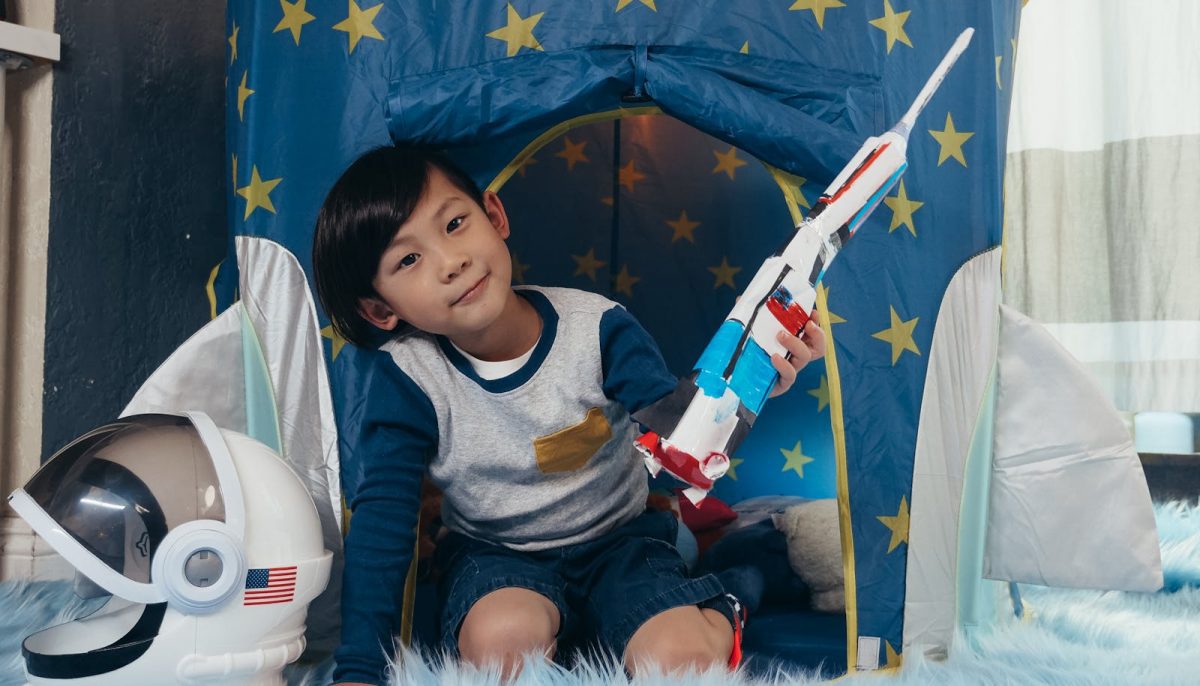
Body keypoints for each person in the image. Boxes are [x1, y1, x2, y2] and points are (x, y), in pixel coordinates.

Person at [312, 146, 826, 685]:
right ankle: (567, 628)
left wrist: (759, 378)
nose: (450, 261)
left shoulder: (598, 328)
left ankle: (729, 596)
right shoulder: (406, 378)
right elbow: (383, 524)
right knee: (498, 651)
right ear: (380, 309)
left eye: (456, 224)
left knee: (681, 659)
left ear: (495, 216)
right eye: (408, 260)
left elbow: (684, 434)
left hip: (621, 543)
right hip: (496, 557)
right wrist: (359, 670)